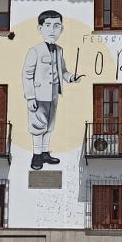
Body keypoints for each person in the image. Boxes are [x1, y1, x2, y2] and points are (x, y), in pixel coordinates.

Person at [22, 10, 81, 170]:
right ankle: (36, 155)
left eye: (56, 26)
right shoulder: (34, 51)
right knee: (37, 126)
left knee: (49, 125)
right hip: (39, 95)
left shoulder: (60, 50)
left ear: (61, 29)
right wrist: (30, 97)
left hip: (54, 94)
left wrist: (71, 77)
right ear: (40, 28)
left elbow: (63, 70)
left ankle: (45, 153)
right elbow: (27, 75)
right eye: (47, 25)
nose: (52, 30)